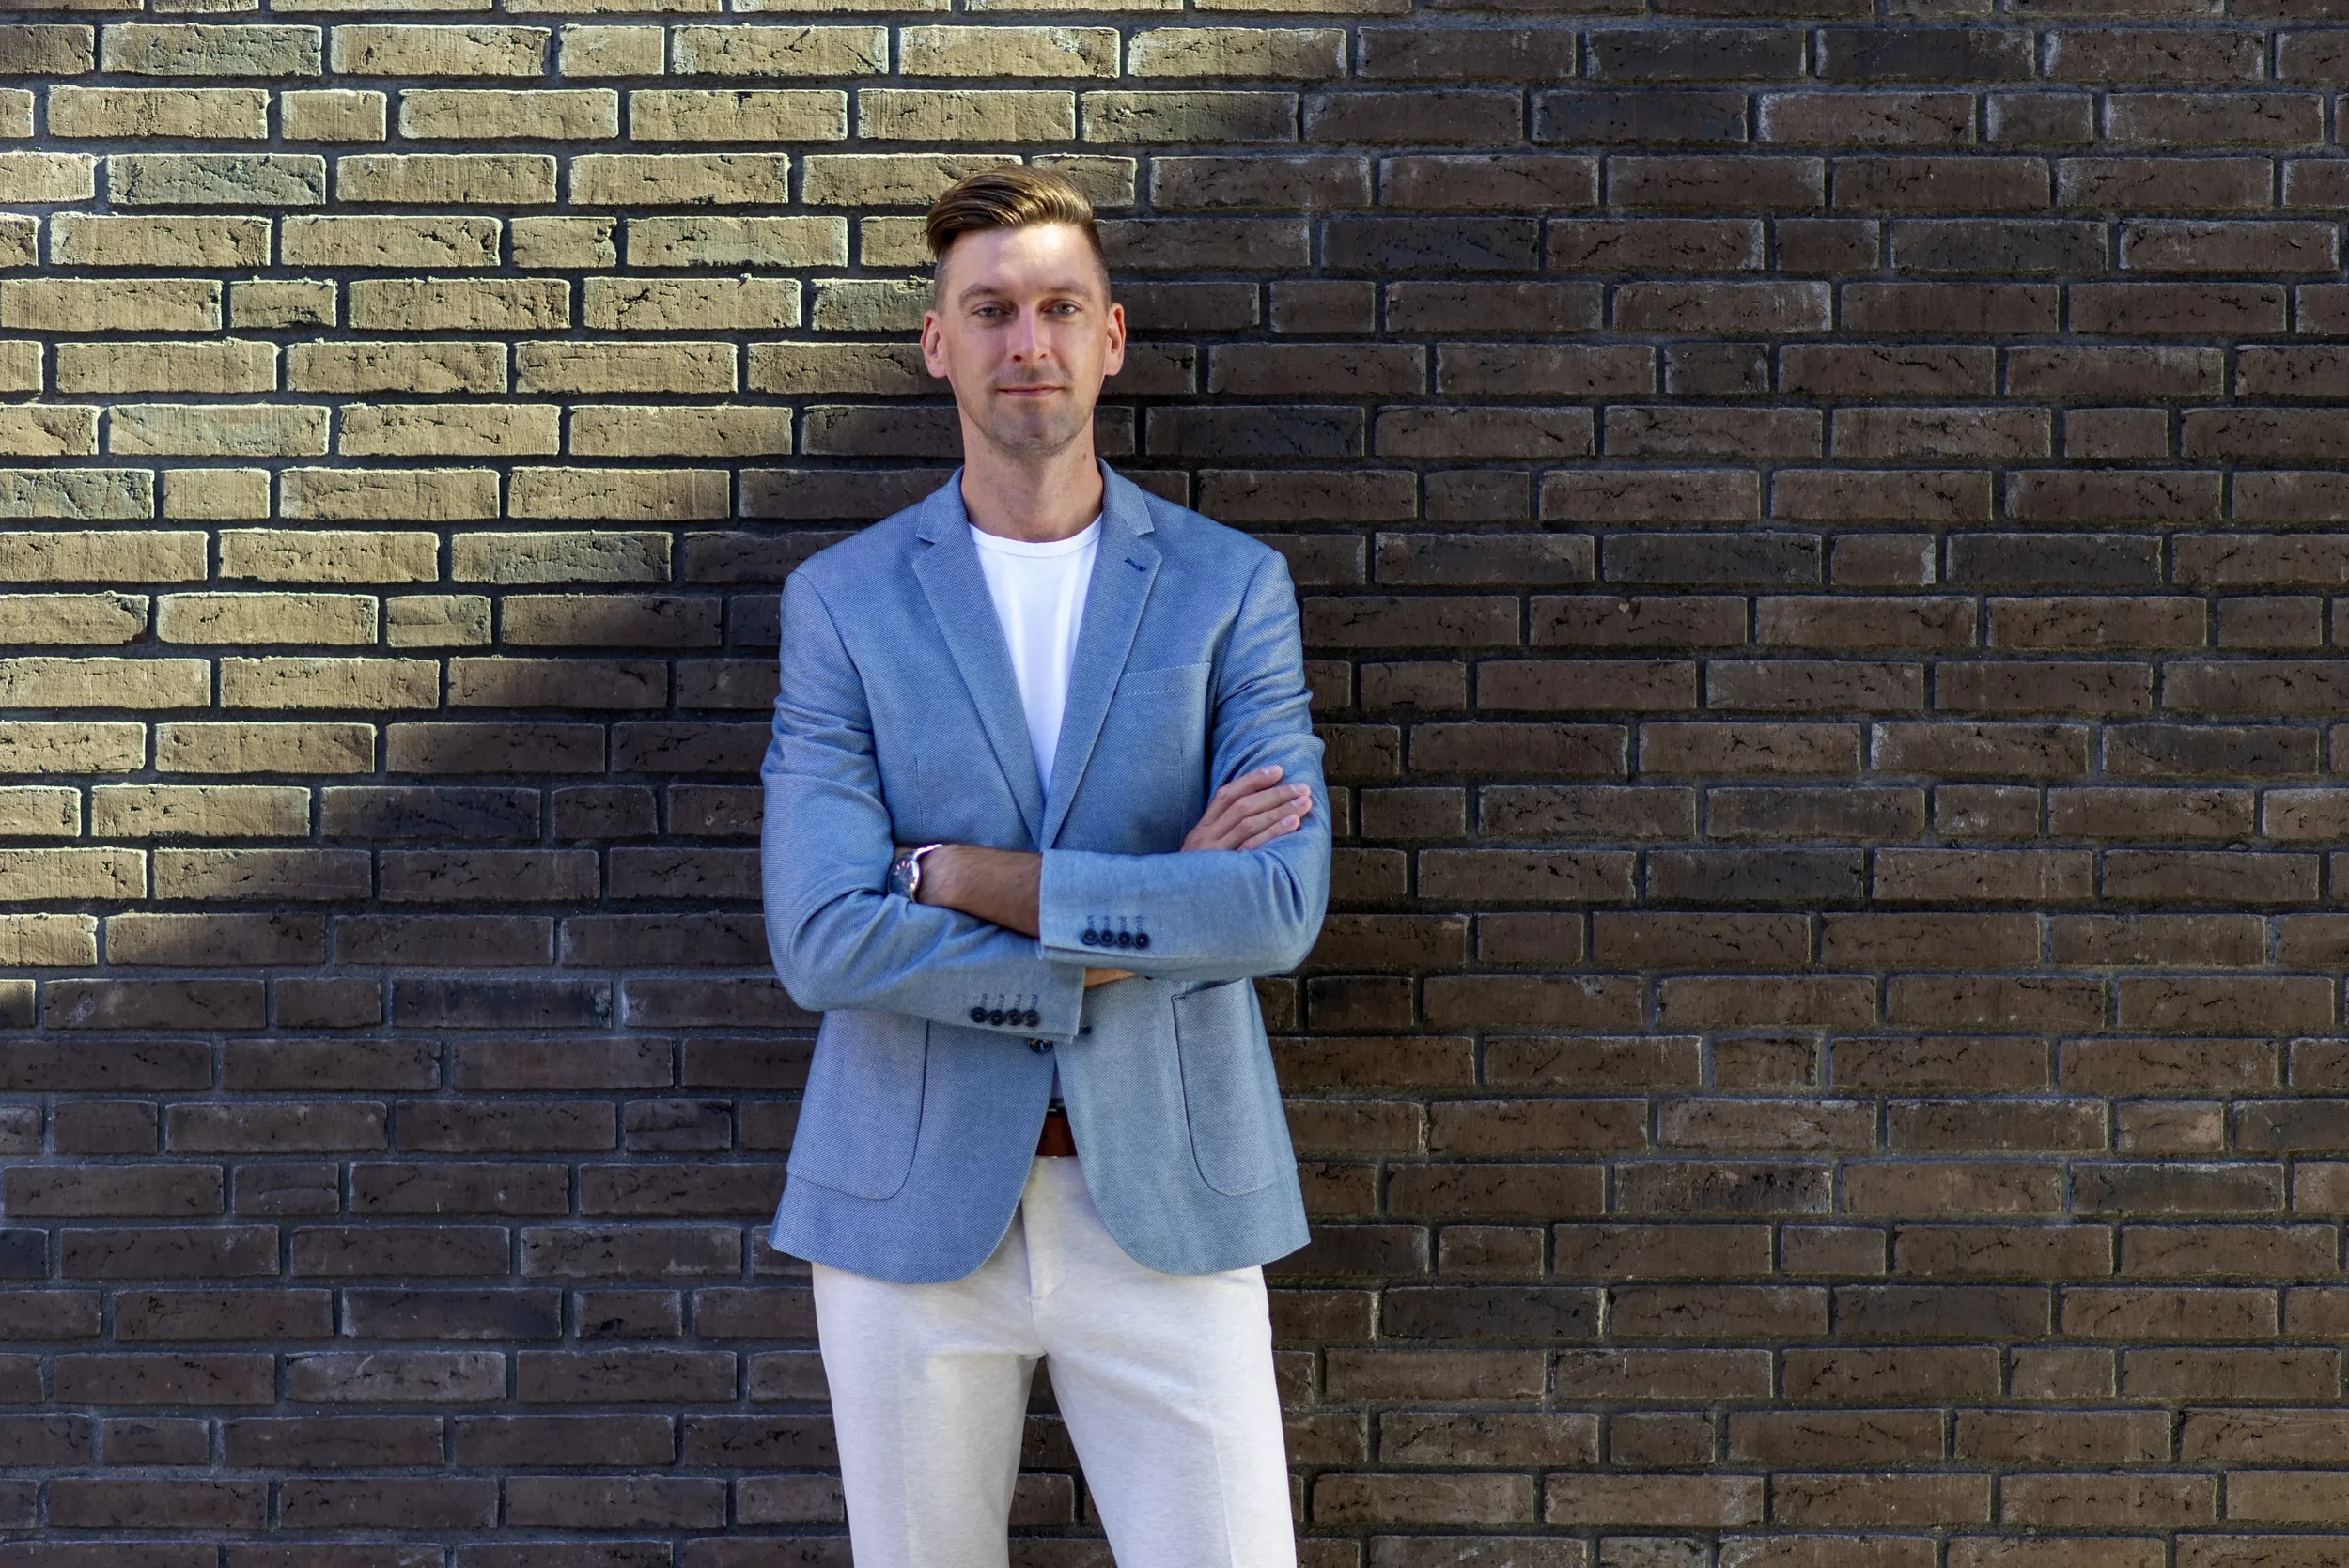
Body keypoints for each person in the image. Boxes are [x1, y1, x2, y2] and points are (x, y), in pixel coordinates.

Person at [757, 165, 1332, 1568]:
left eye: (1061, 307)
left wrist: (959, 874)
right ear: (937, 341)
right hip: (906, 1204)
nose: (1030, 341)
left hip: (1171, 1202)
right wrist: (1153, 911)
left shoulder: (1228, 588)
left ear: (1110, 336)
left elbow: (1273, 905)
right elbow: (823, 938)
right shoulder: (842, 602)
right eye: (992, 309)